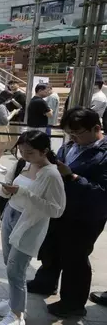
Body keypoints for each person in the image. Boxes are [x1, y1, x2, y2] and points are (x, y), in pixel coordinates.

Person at [27, 107, 107, 318]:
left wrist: (72, 177)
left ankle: (73, 303)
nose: (72, 138)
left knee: (75, 257)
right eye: (69, 134)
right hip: (58, 208)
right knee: (51, 247)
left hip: (85, 216)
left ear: (96, 128)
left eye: (77, 133)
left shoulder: (104, 153)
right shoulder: (70, 145)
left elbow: (102, 194)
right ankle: (45, 282)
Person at [0, 130, 65, 325]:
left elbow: (56, 210)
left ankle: (17, 315)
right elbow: (9, 188)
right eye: (21, 150)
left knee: (16, 268)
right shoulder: (23, 163)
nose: (24, 155)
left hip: (30, 224)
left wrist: (23, 192)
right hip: (10, 216)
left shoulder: (51, 174)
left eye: (30, 152)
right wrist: (6, 190)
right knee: (10, 263)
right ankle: (14, 302)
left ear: (44, 150)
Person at [0, 91, 20, 173]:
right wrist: (13, 113)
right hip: (0, 128)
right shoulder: (1, 107)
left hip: (0, 128)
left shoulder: (0, 105)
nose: (10, 100)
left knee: (2, 148)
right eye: (10, 98)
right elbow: (5, 120)